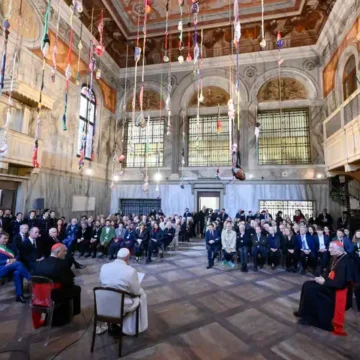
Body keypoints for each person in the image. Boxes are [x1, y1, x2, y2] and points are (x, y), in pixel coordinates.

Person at [294, 241, 354, 334]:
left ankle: (310, 319)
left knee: (311, 290)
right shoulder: (334, 258)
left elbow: (341, 283)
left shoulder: (345, 261)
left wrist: (325, 282)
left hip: (335, 290)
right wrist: (322, 277)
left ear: (338, 249)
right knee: (307, 284)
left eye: (331, 248)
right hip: (329, 284)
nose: (328, 250)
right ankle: (303, 312)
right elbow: (328, 272)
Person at [99, 248, 148, 336]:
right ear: (127, 258)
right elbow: (136, 292)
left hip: (104, 301)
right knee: (142, 296)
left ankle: (114, 323)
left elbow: (101, 283)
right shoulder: (131, 271)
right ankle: (130, 328)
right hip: (121, 303)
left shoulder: (104, 266)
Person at [34, 243, 81, 324]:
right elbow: (69, 281)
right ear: (58, 252)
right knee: (76, 288)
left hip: (39, 294)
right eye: (64, 251)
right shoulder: (62, 265)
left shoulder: (40, 263)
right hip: (54, 295)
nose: (66, 253)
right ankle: (73, 313)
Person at [0, 232, 31, 303]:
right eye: (4, 238)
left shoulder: (10, 246)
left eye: (7, 238)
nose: (6, 240)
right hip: (1, 268)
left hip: (11, 266)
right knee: (18, 264)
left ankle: (19, 296)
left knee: (18, 272)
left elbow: (18, 254)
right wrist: (7, 261)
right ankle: (31, 279)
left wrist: (14, 260)